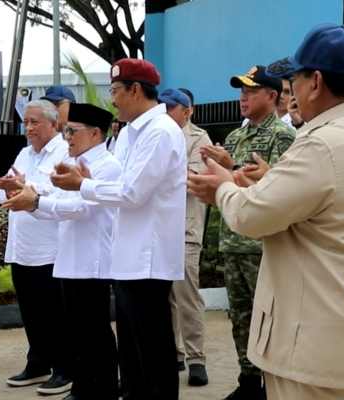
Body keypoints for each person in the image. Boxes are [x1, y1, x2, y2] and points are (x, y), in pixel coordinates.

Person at [188, 24, 344, 400]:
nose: (291, 92)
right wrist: (250, 185)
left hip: (319, 350)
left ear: (316, 82)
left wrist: (224, 188)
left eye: (295, 81)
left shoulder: (322, 142)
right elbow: (327, 207)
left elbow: (251, 217)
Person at [50, 58, 186, 399]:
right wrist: (87, 183)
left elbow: (131, 192)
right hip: (128, 258)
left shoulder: (160, 132)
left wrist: (82, 186)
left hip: (149, 258)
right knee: (133, 354)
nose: (112, 100)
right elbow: (121, 186)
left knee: (152, 351)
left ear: (135, 90)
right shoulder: (128, 135)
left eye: (115, 91)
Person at [1, 103, 121, 400]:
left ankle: (103, 388)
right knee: (79, 330)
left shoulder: (107, 165)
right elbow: (52, 200)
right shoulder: (71, 161)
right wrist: (30, 198)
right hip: (69, 258)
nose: (67, 137)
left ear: (95, 133)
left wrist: (35, 202)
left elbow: (80, 208)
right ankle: (83, 386)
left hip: (92, 260)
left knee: (95, 331)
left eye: (72, 131)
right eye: (66, 130)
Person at [199, 64, 295, 400]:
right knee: (240, 317)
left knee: (268, 318)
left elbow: (281, 188)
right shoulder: (237, 136)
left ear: (271, 96)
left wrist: (231, 168)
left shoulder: (282, 136)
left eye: (251, 91)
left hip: (261, 245)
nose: (243, 97)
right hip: (233, 241)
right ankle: (248, 381)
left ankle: (273, 384)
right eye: (241, 91)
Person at [0, 99, 72, 395]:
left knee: (56, 312)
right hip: (22, 246)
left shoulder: (64, 153)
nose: (28, 128)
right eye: (26, 122)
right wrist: (7, 185)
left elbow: (60, 193)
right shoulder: (24, 153)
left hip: (51, 248)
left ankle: (65, 367)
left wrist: (29, 189)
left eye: (35, 122)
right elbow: (12, 188)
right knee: (31, 310)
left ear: (53, 124)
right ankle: (38, 362)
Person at [158, 88, 212, 387]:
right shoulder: (158, 135)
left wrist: (157, 175)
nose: (166, 113)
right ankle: (175, 352)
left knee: (187, 296)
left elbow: (191, 180)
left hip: (186, 229)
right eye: (163, 108)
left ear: (187, 110)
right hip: (161, 230)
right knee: (166, 298)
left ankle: (196, 358)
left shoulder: (198, 138)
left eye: (172, 108)